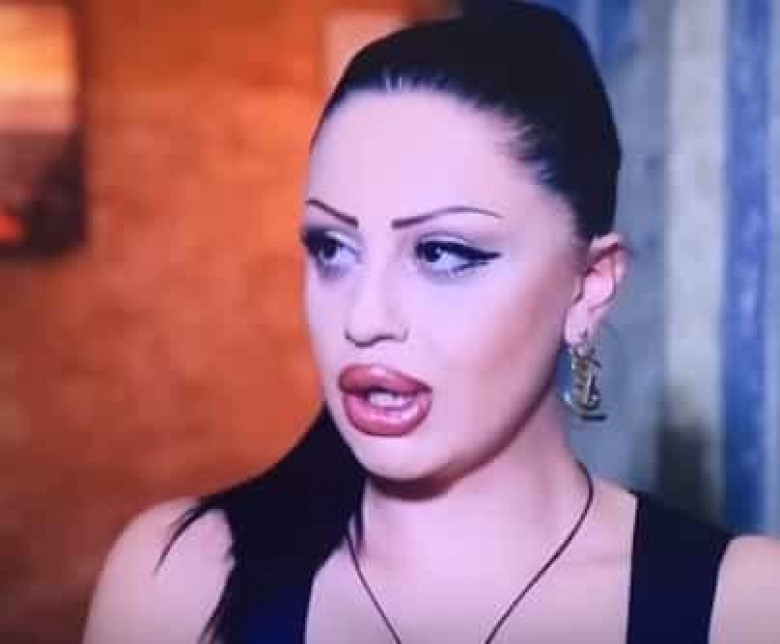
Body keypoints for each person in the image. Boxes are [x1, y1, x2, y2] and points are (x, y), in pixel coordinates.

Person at [81, 4, 780, 644]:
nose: (364, 318)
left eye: (442, 252)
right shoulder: (180, 583)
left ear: (590, 287)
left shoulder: (744, 606)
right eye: (332, 248)